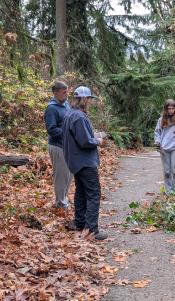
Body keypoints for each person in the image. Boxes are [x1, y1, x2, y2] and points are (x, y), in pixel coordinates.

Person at [62, 86, 107, 240]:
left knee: (81, 192)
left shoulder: (70, 114)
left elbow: (79, 136)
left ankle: (80, 223)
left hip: (75, 161)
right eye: (88, 99)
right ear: (83, 99)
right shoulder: (79, 117)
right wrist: (98, 140)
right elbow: (85, 141)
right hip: (84, 161)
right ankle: (92, 230)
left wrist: (92, 136)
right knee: (94, 193)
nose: (90, 102)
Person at [44, 81, 73, 209]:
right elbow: (51, 130)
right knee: (61, 175)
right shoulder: (51, 108)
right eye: (63, 92)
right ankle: (60, 203)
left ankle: (64, 198)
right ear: (55, 93)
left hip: (68, 146)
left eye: (67, 92)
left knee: (69, 174)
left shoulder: (66, 105)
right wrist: (68, 132)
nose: (66, 95)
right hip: (57, 146)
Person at [154, 99, 175, 194]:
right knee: (167, 172)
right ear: (166, 109)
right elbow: (157, 132)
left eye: (172, 108)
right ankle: (169, 192)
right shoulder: (161, 119)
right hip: (164, 148)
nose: (170, 110)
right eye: (168, 108)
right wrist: (157, 141)